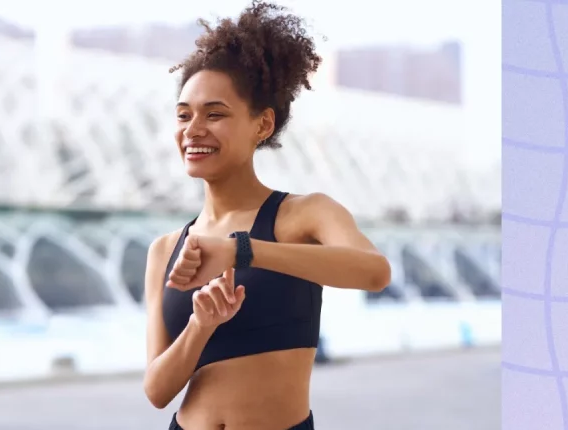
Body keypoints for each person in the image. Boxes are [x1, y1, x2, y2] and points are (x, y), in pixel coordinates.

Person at [142, 2, 392, 429]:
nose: (193, 129)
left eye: (215, 113)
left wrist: (242, 251)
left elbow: (374, 272)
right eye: (184, 115)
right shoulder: (166, 248)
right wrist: (201, 325)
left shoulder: (304, 214)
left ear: (262, 124)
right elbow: (157, 391)